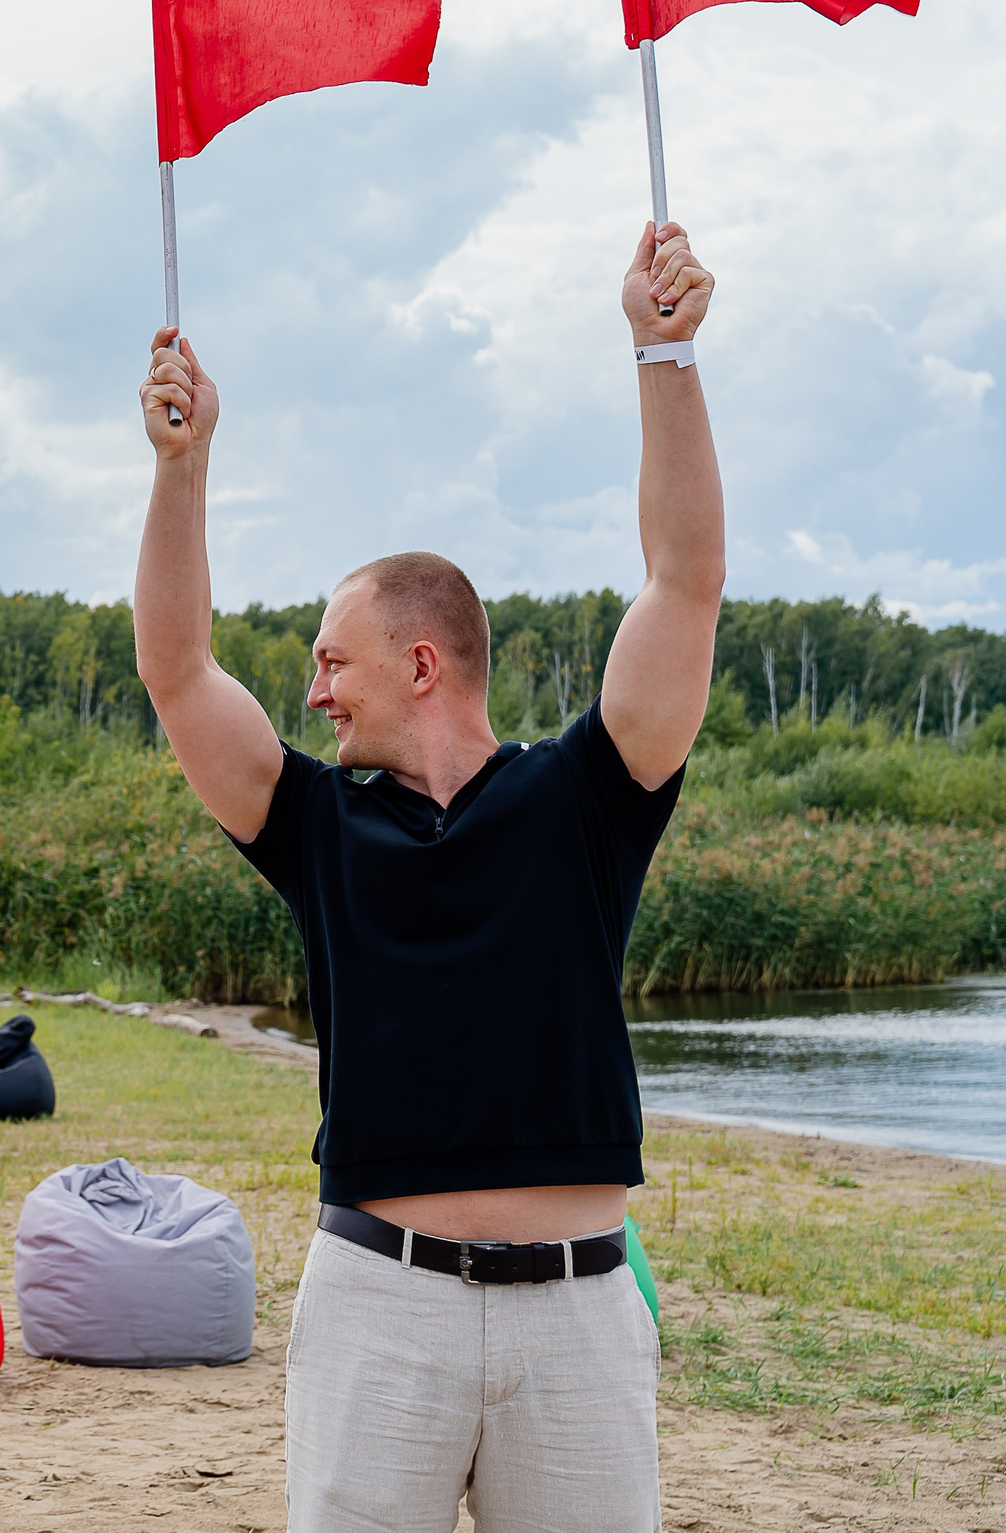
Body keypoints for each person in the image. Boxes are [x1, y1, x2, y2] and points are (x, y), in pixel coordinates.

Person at [129, 224, 721, 1530]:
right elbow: (176, 668)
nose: (313, 691)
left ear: (421, 664)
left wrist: (662, 355)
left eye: (331, 660)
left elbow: (684, 583)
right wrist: (182, 466)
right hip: (376, 1304)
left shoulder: (586, 798)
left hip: (578, 1311)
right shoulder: (316, 825)